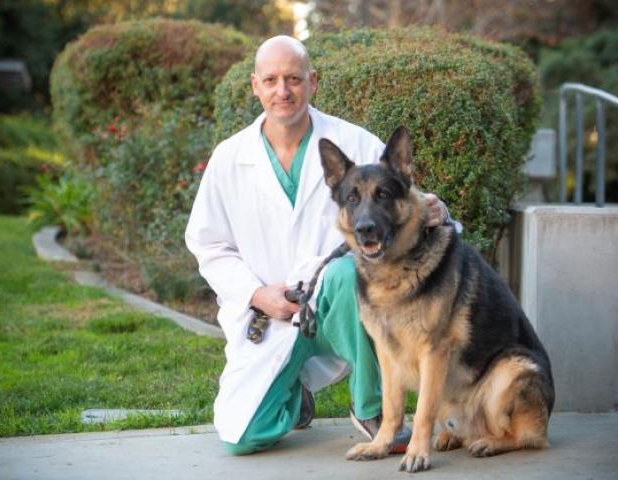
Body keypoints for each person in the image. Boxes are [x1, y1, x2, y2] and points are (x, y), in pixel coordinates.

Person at [185, 35, 454, 455]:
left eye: (293, 78)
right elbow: (209, 244)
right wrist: (257, 294)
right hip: (271, 313)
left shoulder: (353, 142)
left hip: (339, 304)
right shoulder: (228, 158)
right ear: (255, 86)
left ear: (313, 81)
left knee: (348, 272)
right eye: (271, 80)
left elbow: (394, 198)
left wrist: (433, 209)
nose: (283, 91)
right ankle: (297, 397)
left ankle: (372, 407)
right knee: (242, 437)